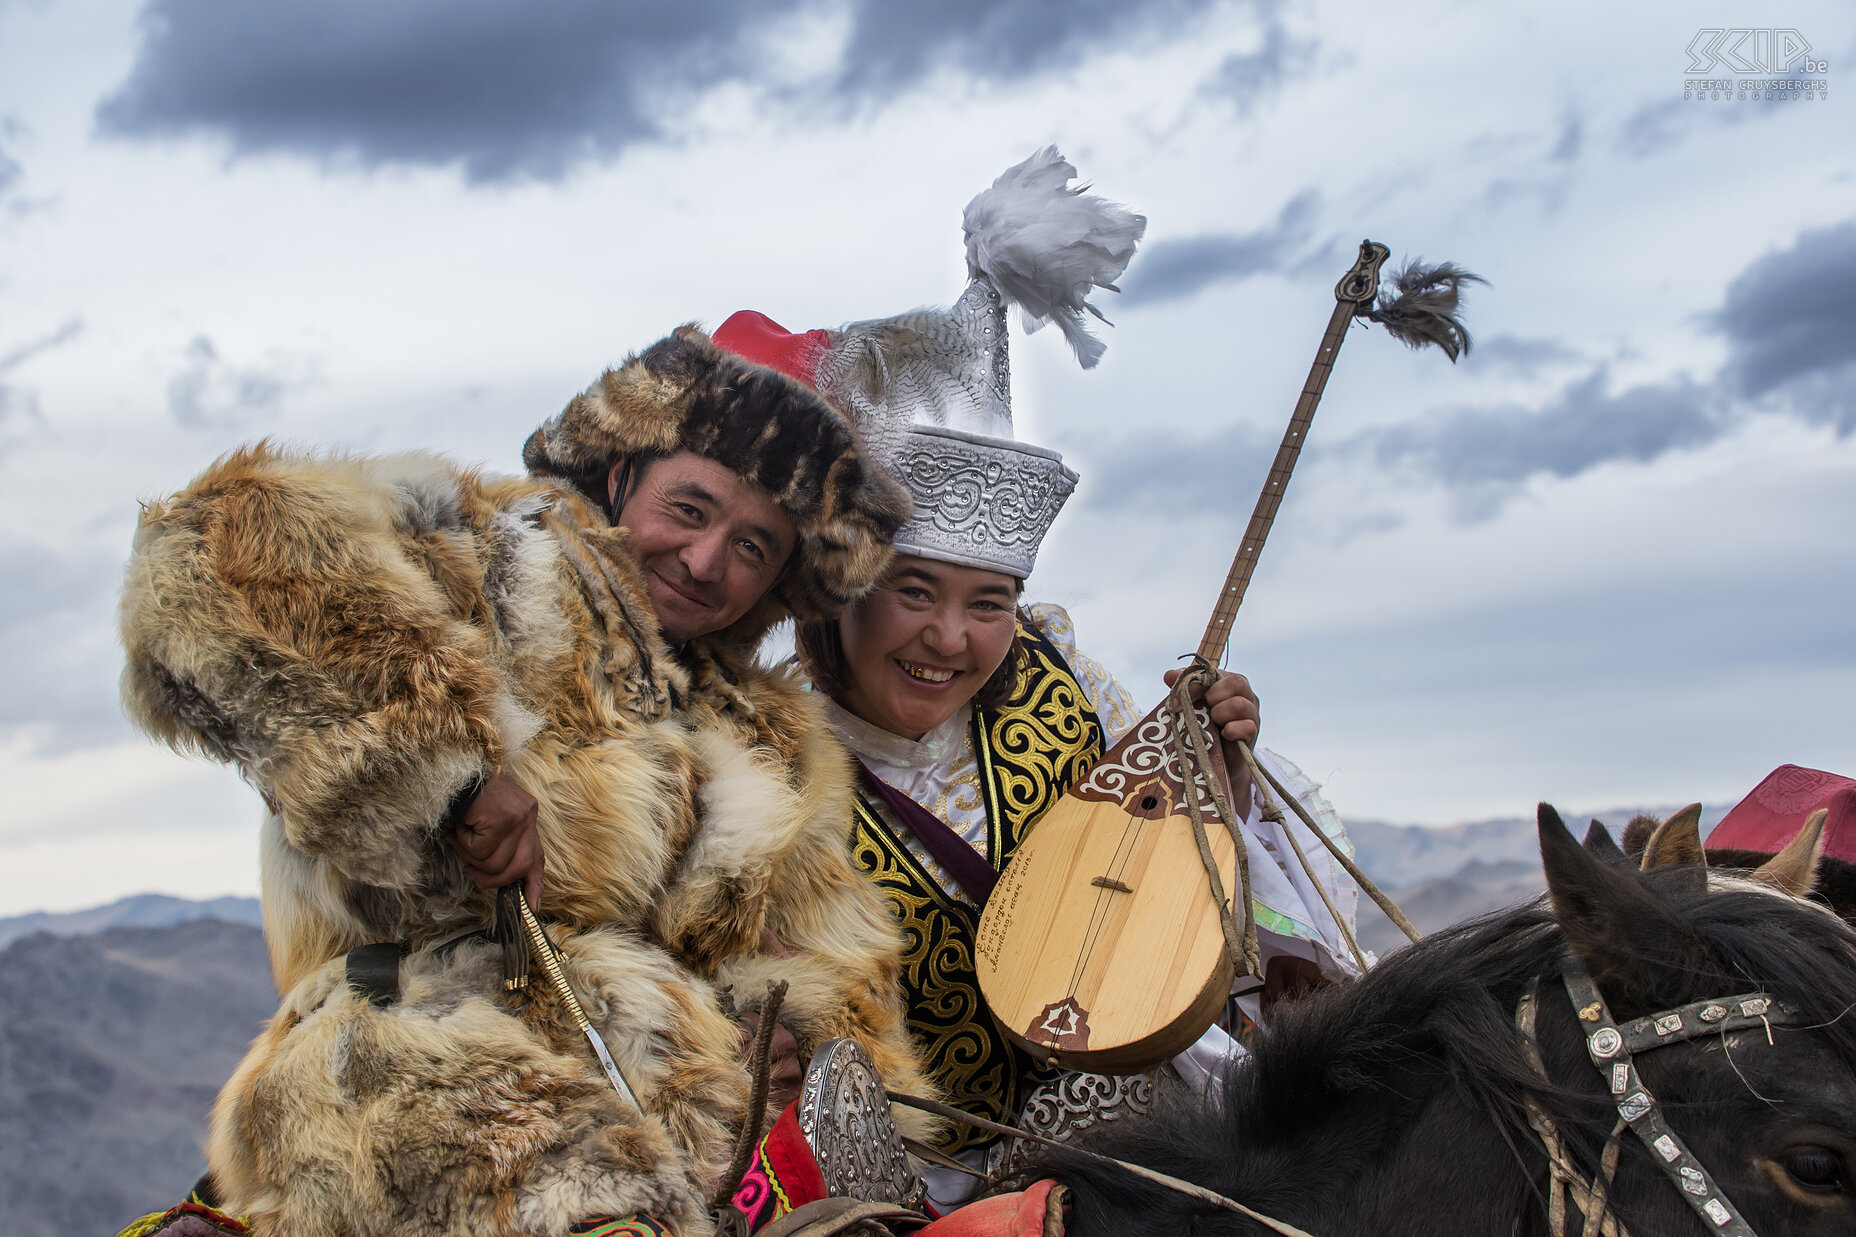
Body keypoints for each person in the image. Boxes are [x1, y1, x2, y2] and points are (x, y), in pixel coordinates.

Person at [116, 327, 939, 1235]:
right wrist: (450, 773)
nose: (708, 562)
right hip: (414, 1059)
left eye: (753, 545)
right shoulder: (483, 554)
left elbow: (832, 967)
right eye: (691, 509)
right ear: (623, 472)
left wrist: (799, 1047)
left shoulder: (771, 737)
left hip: (679, 1108)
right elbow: (202, 556)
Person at [710, 148, 1366, 1208]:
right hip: (909, 1198)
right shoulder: (761, 765)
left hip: (1148, 1161)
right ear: (839, 588)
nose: (949, 639)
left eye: (987, 603)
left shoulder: (1067, 690)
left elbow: (1189, 904)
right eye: (913, 591)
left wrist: (1219, 789)